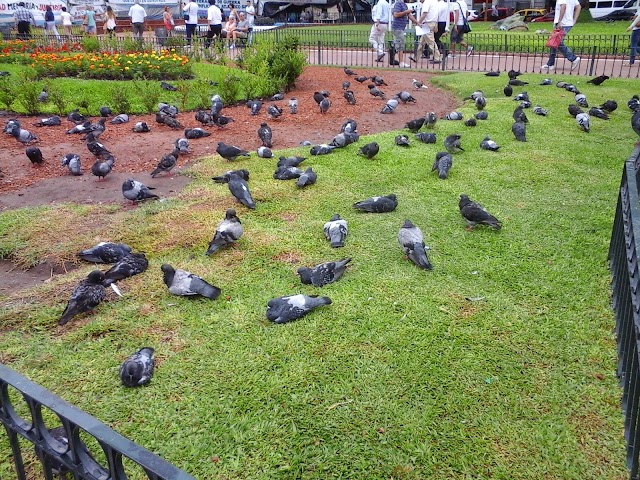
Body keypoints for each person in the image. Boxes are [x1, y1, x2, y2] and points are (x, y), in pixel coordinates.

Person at [541, 0, 581, 71]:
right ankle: (550, 64)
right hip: (566, 23)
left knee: (558, 42)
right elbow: (578, 7)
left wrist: (559, 21)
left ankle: (573, 58)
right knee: (554, 43)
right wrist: (574, 20)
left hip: (563, 23)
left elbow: (563, 7)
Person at [391, 0, 417, 68]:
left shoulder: (404, 5)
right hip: (397, 27)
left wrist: (417, 22)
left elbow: (409, 15)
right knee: (400, 44)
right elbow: (396, 14)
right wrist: (406, 11)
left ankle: (394, 57)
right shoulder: (398, 3)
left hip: (401, 28)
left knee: (399, 44)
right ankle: (401, 62)